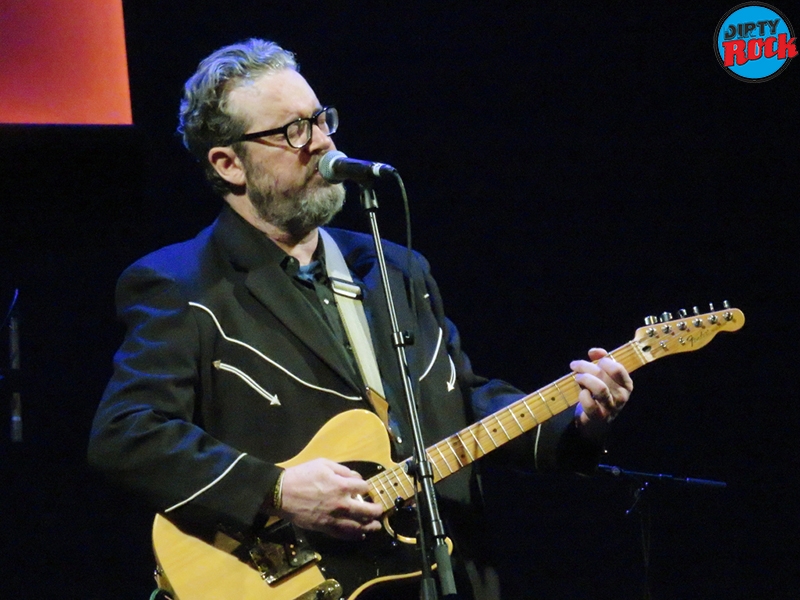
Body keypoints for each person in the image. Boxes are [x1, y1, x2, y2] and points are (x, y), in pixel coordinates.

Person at [88, 38, 633, 599]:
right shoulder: (183, 283)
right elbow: (127, 434)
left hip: (437, 575)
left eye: (320, 119)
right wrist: (277, 491)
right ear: (229, 164)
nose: (322, 142)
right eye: (292, 131)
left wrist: (578, 420)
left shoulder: (396, 268)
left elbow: (458, 402)